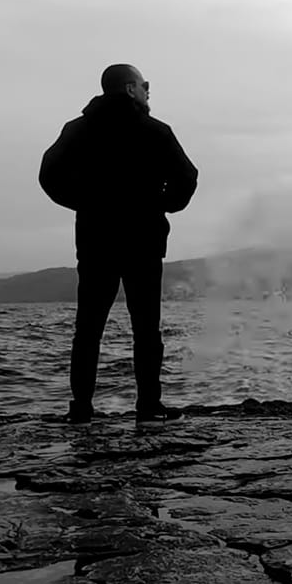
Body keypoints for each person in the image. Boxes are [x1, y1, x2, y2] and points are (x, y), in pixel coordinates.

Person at [39, 64, 198, 425]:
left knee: (89, 327)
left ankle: (80, 408)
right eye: (144, 85)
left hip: (96, 240)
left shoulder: (77, 130)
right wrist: (163, 203)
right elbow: (188, 177)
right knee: (146, 327)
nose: (148, 91)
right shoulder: (155, 131)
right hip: (144, 240)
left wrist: (82, 200)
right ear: (129, 89)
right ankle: (148, 407)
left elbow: (48, 176)